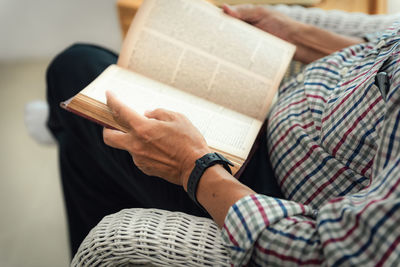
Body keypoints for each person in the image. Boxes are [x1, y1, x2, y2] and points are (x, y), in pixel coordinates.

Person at [47, 4, 400, 266]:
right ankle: (63, 126)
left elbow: (340, 254)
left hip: (261, 191)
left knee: (76, 71)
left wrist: (192, 167)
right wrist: (292, 35)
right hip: (268, 115)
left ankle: (58, 123)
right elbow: (380, 55)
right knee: (87, 123)